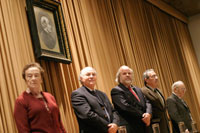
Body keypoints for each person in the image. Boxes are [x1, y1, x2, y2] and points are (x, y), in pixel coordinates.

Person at [14, 63, 66, 133]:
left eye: (36, 75)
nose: (33, 78)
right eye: (29, 76)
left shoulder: (50, 96)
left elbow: (59, 122)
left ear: (41, 79)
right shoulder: (21, 101)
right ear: (25, 80)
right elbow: (23, 129)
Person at [71, 67, 119, 133]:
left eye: (93, 74)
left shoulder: (102, 94)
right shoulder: (77, 94)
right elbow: (87, 115)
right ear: (81, 78)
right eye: (88, 74)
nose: (91, 76)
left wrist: (115, 124)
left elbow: (113, 111)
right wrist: (108, 127)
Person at [111, 65, 152, 133]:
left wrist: (148, 113)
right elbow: (125, 107)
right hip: (130, 127)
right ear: (119, 77)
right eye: (124, 73)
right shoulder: (116, 90)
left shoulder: (138, 89)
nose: (127, 75)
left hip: (144, 125)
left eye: (129, 73)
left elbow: (147, 102)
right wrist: (143, 116)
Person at [141, 69, 170, 133]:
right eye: (153, 76)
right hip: (155, 126)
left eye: (156, 75)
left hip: (165, 124)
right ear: (146, 79)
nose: (156, 78)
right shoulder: (143, 91)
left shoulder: (159, 90)